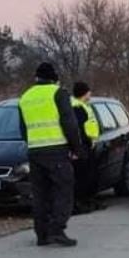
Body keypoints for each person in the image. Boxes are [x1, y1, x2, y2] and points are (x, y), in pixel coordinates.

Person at [18, 62, 82, 247]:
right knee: (63, 191)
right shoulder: (58, 93)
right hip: (57, 151)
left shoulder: (25, 97)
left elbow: (23, 129)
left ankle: (42, 234)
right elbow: (69, 123)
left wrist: (34, 144)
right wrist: (76, 148)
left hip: (35, 152)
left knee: (40, 194)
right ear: (54, 78)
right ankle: (57, 229)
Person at [71, 81, 105, 215]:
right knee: (82, 177)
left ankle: (88, 202)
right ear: (84, 93)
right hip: (82, 146)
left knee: (89, 175)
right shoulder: (76, 107)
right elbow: (78, 129)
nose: (90, 93)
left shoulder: (83, 105)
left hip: (88, 145)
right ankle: (81, 204)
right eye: (88, 91)